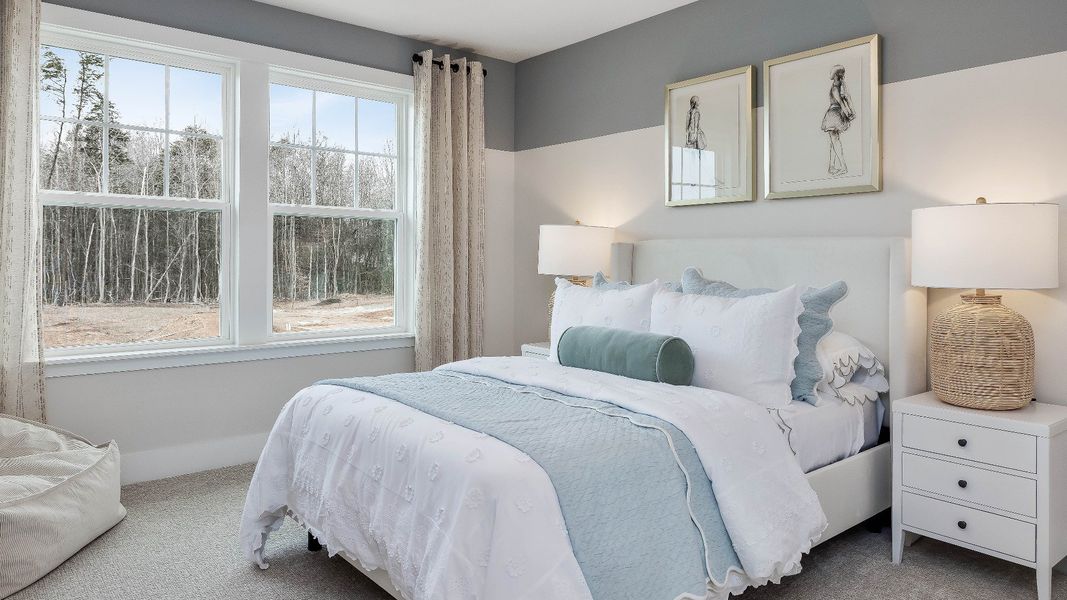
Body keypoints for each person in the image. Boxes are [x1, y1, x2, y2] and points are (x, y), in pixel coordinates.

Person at [821, 64, 855, 176]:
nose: (830, 74)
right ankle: (831, 166)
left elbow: (840, 102)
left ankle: (843, 167)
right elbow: (847, 98)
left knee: (835, 141)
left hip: (834, 114)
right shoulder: (841, 85)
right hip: (838, 114)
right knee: (834, 140)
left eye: (832, 72)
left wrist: (848, 113)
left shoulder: (836, 86)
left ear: (835, 74)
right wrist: (850, 112)